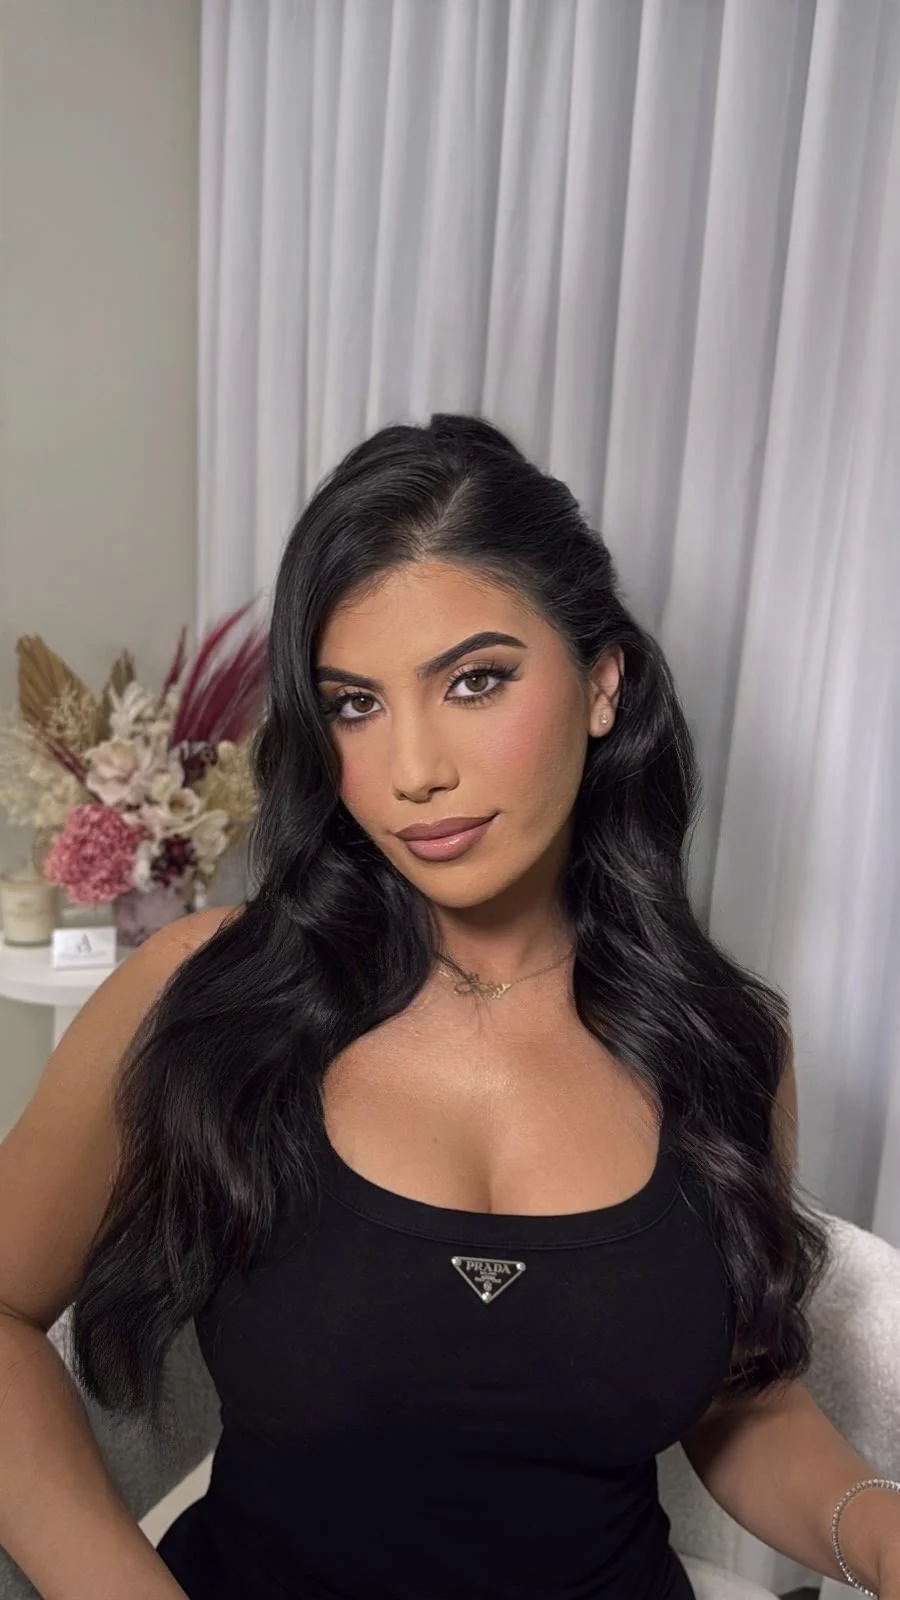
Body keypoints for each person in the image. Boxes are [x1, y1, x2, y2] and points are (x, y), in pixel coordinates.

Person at [0, 414, 845, 1600]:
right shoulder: (207, 994)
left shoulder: (724, 1043)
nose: (414, 772)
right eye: (355, 704)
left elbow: (736, 1393)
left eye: (475, 681)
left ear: (602, 685)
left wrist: (877, 1527)